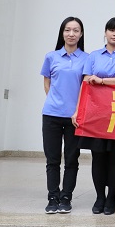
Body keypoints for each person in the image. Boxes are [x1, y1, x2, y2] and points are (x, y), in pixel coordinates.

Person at [73, 17, 115, 215]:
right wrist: (78, 110)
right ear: (105, 32)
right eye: (111, 30)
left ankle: (110, 199)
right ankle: (99, 197)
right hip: (96, 113)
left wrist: (102, 81)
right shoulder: (93, 56)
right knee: (98, 156)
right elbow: (85, 84)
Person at [40, 17, 88, 214]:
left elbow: (86, 88)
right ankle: (53, 197)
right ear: (62, 33)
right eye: (67, 30)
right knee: (52, 159)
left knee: (71, 159)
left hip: (74, 118)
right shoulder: (51, 57)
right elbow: (47, 82)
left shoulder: (86, 59)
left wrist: (76, 109)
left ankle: (66, 197)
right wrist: (55, 100)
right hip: (51, 114)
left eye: (76, 30)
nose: (71, 34)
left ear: (81, 34)